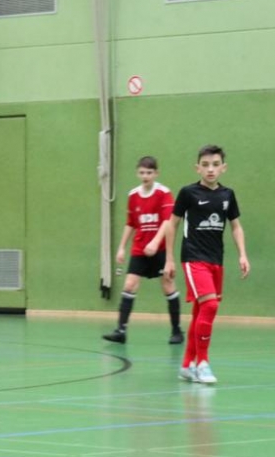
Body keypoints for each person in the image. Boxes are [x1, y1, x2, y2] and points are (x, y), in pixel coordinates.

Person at [164, 144, 249, 384]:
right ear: (197, 168)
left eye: (215, 165)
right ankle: (202, 363)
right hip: (193, 258)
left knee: (200, 311)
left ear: (223, 168)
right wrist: (169, 258)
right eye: (205, 165)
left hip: (216, 260)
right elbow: (172, 224)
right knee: (210, 305)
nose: (210, 169)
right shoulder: (188, 193)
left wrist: (242, 254)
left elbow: (236, 226)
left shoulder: (227, 195)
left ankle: (186, 366)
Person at [102, 156, 183, 345]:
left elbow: (168, 222)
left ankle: (177, 330)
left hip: (160, 249)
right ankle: (121, 330)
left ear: (156, 173)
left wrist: (155, 242)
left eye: (149, 172)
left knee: (168, 285)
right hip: (139, 249)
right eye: (142, 172)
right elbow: (131, 223)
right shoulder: (133, 195)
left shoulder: (164, 193)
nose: (145, 176)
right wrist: (121, 247)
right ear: (137, 173)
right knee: (130, 285)